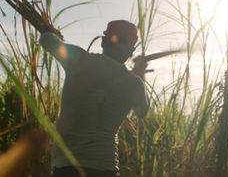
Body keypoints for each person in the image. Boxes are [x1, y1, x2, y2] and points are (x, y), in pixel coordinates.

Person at [38, 20, 149, 177]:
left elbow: (46, 40)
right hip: (107, 169)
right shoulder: (134, 84)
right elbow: (142, 111)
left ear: (103, 41)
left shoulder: (78, 59)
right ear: (131, 51)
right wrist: (140, 72)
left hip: (67, 169)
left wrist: (52, 33)